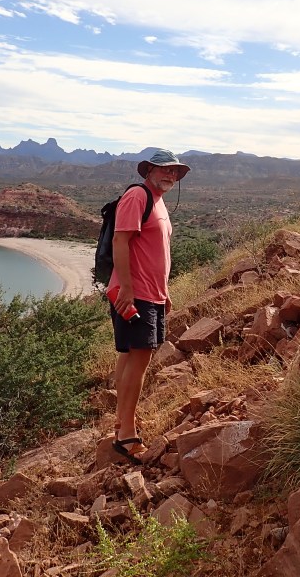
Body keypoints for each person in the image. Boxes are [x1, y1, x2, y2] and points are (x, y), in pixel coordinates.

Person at [107, 148, 190, 464]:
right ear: (149, 171)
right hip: (136, 293)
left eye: (175, 171)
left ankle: (121, 420)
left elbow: (157, 252)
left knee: (130, 356)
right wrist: (127, 288)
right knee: (139, 359)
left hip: (151, 293)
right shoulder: (137, 196)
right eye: (164, 169)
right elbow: (120, 241)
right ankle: (126, 435)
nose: (170, 175)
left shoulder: (158, 201)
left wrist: (163, 291)